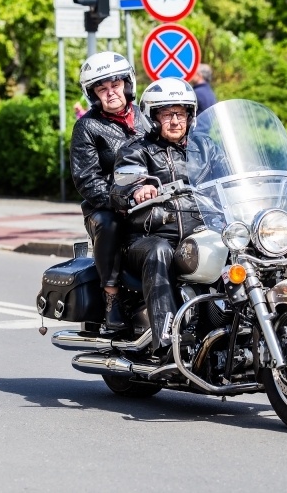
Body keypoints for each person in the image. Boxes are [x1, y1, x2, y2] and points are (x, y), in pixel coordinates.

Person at [111, 78, 225, 358]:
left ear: (190, 115)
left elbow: (229, 174)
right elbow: (119, 188)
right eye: (166, 114)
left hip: (199, 233)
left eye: (181, 113)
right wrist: (137, 189)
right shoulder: (137, 149)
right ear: (153, 118)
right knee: (160, 251)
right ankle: (166, 339)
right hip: (148, 238)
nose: (175, 121)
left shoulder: (205, 148)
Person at [70, 51, 146, 332]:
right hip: (105, 207)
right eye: (102, 88)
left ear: (127, 84)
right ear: (93, 94)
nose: (110, 93)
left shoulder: (148, 117)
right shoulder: (88, 127)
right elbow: (87, 180)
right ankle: (111, 297)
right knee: (109, 223)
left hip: (155, 201)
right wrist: (121, 199)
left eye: (115, 85)